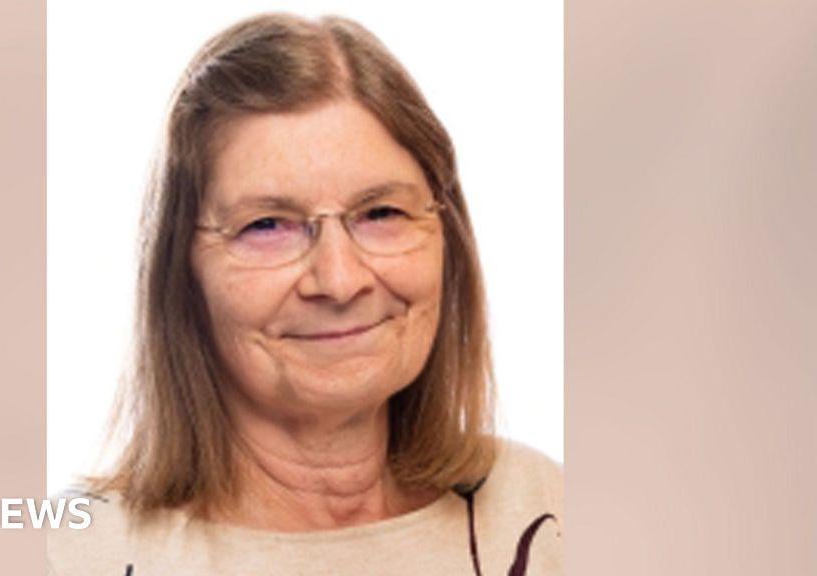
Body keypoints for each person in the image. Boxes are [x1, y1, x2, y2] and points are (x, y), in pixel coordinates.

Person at [49, 12, 562, 576]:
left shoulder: (546, 509)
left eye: (381, 213)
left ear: (447, 235)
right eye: (267, 225)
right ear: (181, 272)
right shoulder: (73, 555)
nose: (340, 281)